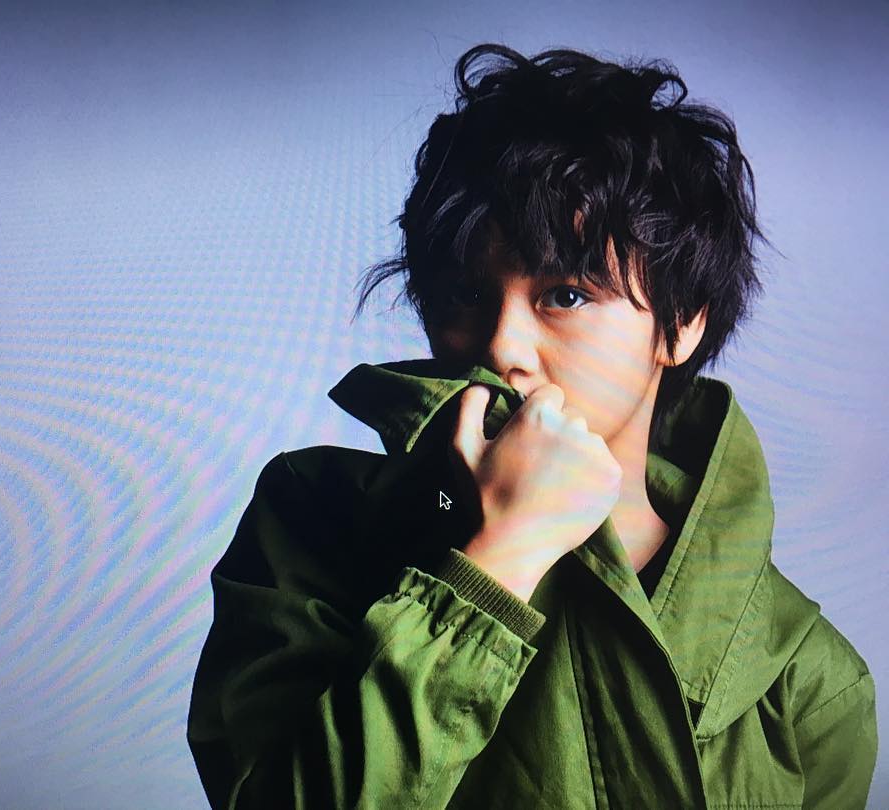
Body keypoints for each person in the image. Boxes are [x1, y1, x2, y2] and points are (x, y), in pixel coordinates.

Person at [187, 44, 878, 808]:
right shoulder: (314, 523)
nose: (501, 348)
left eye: (566, 295)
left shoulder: (808, 680)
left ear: (681, 323)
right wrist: (499, 563)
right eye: (463, 296)